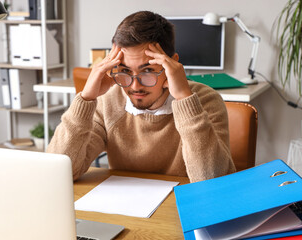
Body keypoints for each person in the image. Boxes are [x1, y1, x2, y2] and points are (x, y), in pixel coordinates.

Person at [47, 11, 236, 182]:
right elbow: (58, 173)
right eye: (125, 71)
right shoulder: (108, 102)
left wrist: (185, 100)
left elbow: (213, 182)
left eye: (147, 71)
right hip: (127, 213)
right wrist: (86, 98)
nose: (134, 86)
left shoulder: (207, 100)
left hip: (181, 212)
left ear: (172, 64)